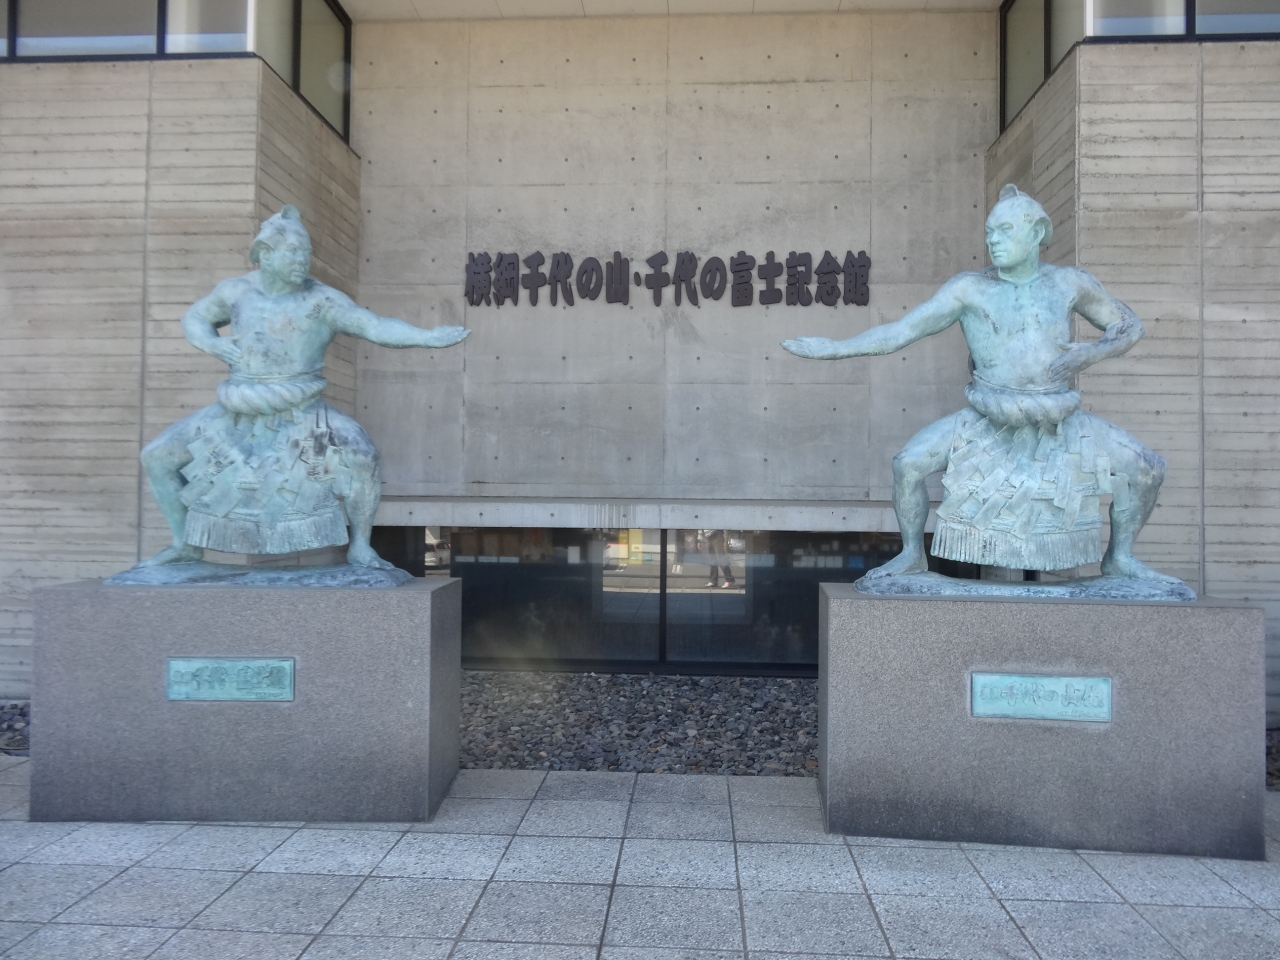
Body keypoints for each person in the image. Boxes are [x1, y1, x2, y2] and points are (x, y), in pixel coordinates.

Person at [783, 185, 1175, 584]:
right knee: (909, 464)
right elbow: (902, 331)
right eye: (989, 232)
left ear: (1037, 233)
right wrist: (834, 349)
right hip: (989, 414)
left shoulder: (1070, 283)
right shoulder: (969, 289)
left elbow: (1129, 326)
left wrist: (1091, 353)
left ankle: (1120, 558)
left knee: (1147, 469)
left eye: (1005, 231)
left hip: (1058, 415)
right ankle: (912, 555)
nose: (993, 241)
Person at [139, 205, 469, 569]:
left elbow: (372, 326)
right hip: (236, 406)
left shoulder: (322, 300)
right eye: (293, 252)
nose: (303, 261)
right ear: (266, 254)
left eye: (306, 253)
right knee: (157, 456)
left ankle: (360, 546)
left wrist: (426, 337)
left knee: (362, 457)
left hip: (302, 411)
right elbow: (196, 317)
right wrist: (211, 344)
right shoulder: (235, 291)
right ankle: (184, 544)